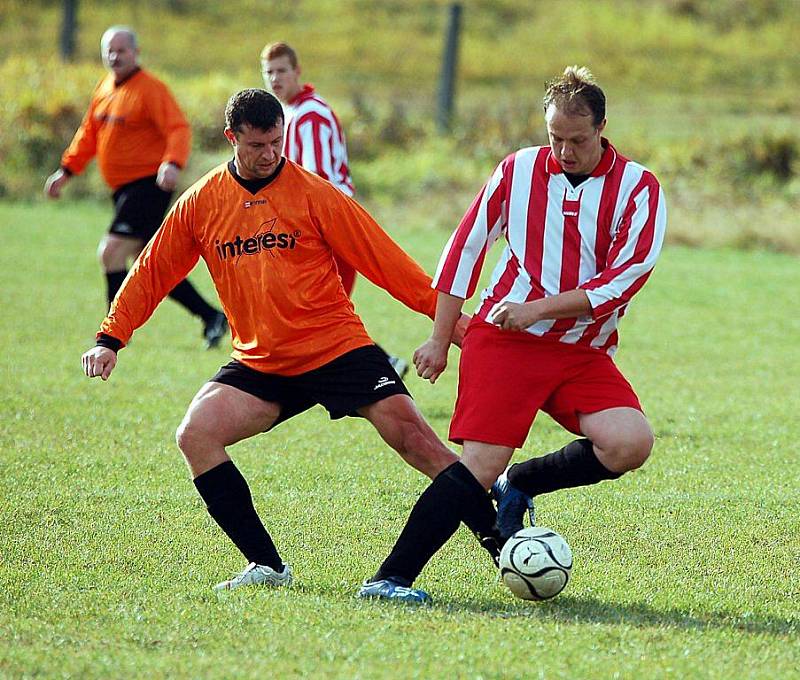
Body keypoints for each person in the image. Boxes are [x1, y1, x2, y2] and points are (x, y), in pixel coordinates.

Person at [80, 88, 487, 594]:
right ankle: (267, 566)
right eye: (256, 145)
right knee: (195, 435)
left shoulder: (314, 193)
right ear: (232, 139)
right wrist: (110, 337)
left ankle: (504, 542)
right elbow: (150, 272)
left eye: (277, 141)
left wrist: (454, 326)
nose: (270, 153)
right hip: (262, 361)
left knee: (418, 442)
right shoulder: (202, 203)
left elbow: (386, 262)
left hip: (335, 346)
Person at [359, 66, 667, 604]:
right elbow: (465, 248)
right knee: (477, 467)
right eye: (555, 137)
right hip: (505, 342)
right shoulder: (518, 170)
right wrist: (438, 337)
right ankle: (390, 578)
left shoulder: (639, 187)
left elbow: (625, 278)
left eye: (577, 139)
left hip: (581, 350)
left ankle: (520, 482)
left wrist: (539, 308)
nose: (564, 151)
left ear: (602, 128)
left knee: (629, 443)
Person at [44, 26, 227, 349]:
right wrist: (66, 171)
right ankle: (211, 316)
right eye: (109, 50)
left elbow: (178, 128)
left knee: (111, 252)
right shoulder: (105, 88)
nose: (115, 56)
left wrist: (172, 162)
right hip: (123, 191)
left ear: (136, 52)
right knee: (152, 263)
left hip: (147, 186)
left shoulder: (151, 89)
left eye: (121, 50)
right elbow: (88, 134)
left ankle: (113, 331)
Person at [261, 41, 409, 377]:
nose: (275, 78)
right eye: (269, 72)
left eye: (281, 70)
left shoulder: (310, 115)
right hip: (317, 226)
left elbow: (318, 182)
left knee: (321, 312)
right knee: (318, 311)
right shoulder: (288, 113)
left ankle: (380, 369)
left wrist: (306, 230)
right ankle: (383, 365)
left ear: (297, 72)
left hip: (329, 227)